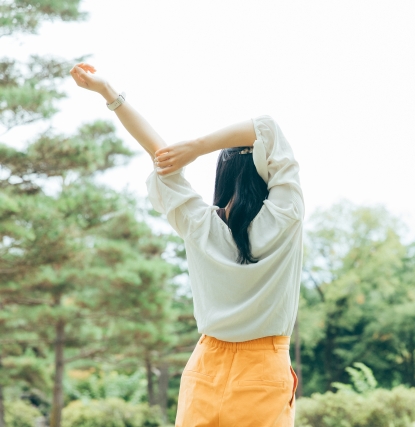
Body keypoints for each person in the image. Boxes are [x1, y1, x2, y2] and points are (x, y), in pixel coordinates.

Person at [70, 63, 303, 427]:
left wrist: (108, 93)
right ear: (264, 176)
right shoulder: (285, 218)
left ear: (221, 177)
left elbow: (159, 155)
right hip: (264, 368)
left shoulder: (199, 224)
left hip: (205, 367)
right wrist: (198, 147)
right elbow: (267, 127)